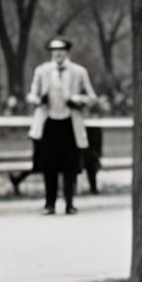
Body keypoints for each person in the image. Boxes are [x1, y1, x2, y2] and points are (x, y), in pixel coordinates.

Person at [27, 38, 97, 214]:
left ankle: (69, 203)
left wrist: (78, 100)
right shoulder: (42, 71)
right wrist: (38, 100)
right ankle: (49, 203)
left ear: (67, 52)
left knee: (70, 166)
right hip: (48, 121)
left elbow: (92, 96)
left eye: (61, 50)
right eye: (54, 50)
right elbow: (31, 95)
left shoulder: (79, 72)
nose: (57, 54)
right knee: (48, 165)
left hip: (69, 122)